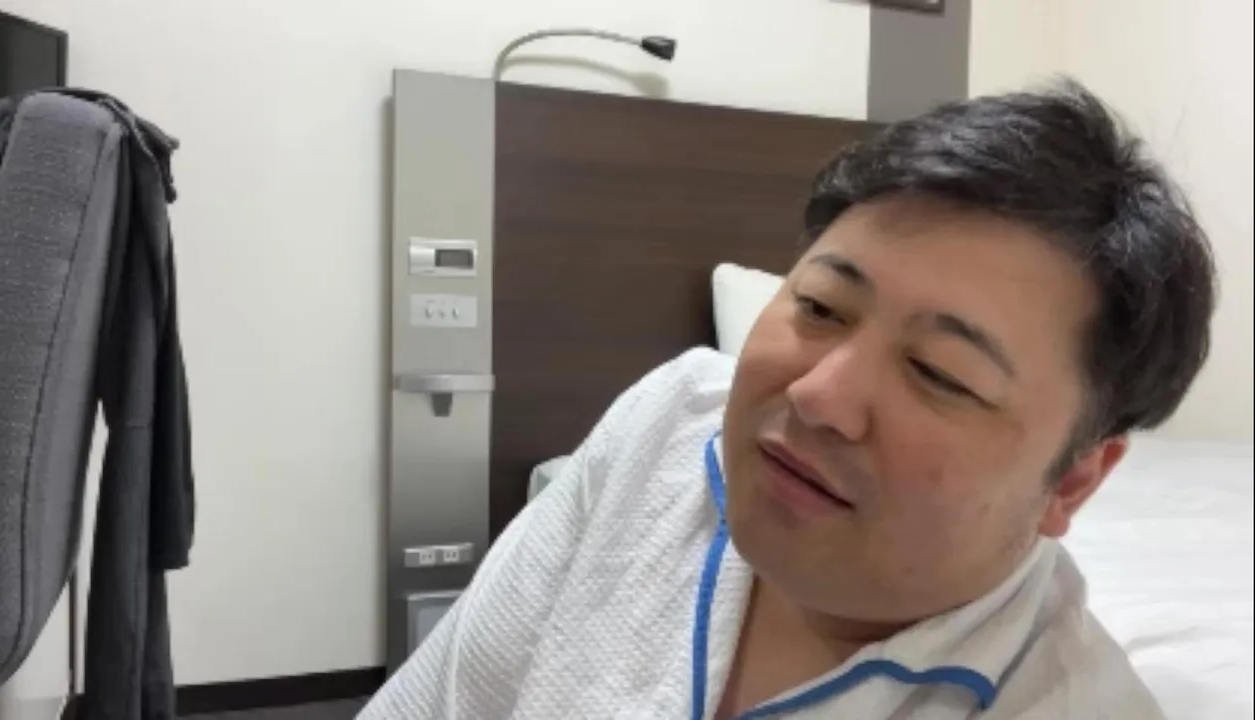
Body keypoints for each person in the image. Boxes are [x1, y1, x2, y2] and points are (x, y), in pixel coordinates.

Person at [358, 80, 1215, 719]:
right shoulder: (668, 427)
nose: (818, 396)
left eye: (940, 373)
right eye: (820, 307)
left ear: (1075, 479)